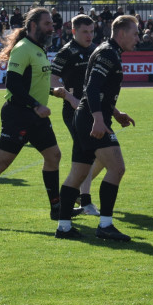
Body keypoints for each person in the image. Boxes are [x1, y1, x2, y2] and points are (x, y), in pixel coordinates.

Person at [0, 8, 63, 228]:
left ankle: (57, 209)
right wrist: (36, 105)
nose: (51, 27)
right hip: (19, 114)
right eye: (47, 24)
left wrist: (52, 93)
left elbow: (32, 83)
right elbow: (13, 85)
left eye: (51, 23)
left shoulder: (38, 48)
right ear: (33, 25)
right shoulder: (23, 48)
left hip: (35, 115)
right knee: (0, 163)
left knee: (53, 155)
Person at [54, 15, 139, 242]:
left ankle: (63, 226)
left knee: (79, 173)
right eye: (134, 34)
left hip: (85, 117)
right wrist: (99, 120)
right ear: (121, 33)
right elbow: (91, 88)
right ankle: (105, 225)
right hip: (90, 119)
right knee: (117, 168)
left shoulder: (107, 51)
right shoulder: (108, 53)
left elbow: (97, 90)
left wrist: (116, 113)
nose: (137, 38)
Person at [50, 14, 104, 219]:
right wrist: (70, 97)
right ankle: (85, 200)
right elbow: (51, 80)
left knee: (104, 156)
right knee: (90, 154)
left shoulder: (95, 50)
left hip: (95, 109)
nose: (89, 35)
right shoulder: (66, 52)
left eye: (92, 31)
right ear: (73, 31)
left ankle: (75, 191)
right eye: (84, 32)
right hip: (74, 111)